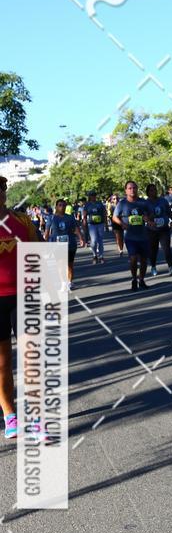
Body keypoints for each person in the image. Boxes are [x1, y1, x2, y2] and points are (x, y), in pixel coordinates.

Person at [0, 176, 39, 439]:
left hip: (25, 294)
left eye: (0, 188)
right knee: (2, 362)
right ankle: (10, 415)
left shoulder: (22, 220)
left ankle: (37, 417)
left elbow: (38, 254)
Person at [113, 181, 151, 291]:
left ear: (137, 189)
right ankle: (134, 278)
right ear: (126, 190)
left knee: (144, 260)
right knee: (133, 258)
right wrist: (122, 224)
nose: (132, 190)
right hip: (130, 236)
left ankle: (141, 280)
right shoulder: (122, 204)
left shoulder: (143, 203)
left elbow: (150, 213)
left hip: (143, 235)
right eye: (129, 188)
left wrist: (147, 218)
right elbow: (115, 217)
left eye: (134, 188)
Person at [45, 199, 85, 290]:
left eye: (64, 205)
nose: (62, 207)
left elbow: (76, 228)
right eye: (60, 205)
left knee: (70, 264)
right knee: (60, 264)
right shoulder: (51, 218)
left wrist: (81, 238)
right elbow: (47, 232)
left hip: (70, 244)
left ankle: (70, 282)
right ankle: (63, 282)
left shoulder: (70, 217)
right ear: (56, 207)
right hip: (57, 245)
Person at [146, 183, 172, 276]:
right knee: (153, 250)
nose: (154, 191)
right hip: (152, 230)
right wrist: (149, 219)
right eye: (151, 190)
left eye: (155, 189)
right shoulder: (145, 203)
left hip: (164, 229)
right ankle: (153, 266)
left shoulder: (163, 201)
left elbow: (169, 212)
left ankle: (171, 267)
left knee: (167, 249)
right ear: (148, 192)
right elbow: (144, 216)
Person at [82, 190, 107, 264]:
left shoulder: (99, 204)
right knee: (93, 241)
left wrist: (106, 223)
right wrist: (84, 224)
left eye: (94, 195)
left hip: (100, 224)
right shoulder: (87, 205)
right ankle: (94, 255)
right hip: (91, 225)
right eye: (92, 195)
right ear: (89, 196)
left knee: (100, 240)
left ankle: (101, 256)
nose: (93, 196)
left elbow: (104, 213)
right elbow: (84, 216)